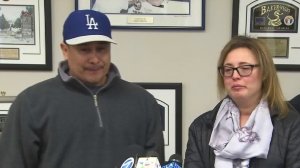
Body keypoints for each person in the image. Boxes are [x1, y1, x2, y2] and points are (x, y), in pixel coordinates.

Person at [0, 9, 164, 168]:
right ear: (65, 50)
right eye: (84, 49)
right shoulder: (30, 103)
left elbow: (155, 162)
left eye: (101, 49)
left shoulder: (143, 102)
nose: (94, 59)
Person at [184, 36, 300, 168]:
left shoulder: (291, 124)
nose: (235, 75)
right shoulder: (201, 127)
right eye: (228, 69)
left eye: (245, 68)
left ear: (264, 73)